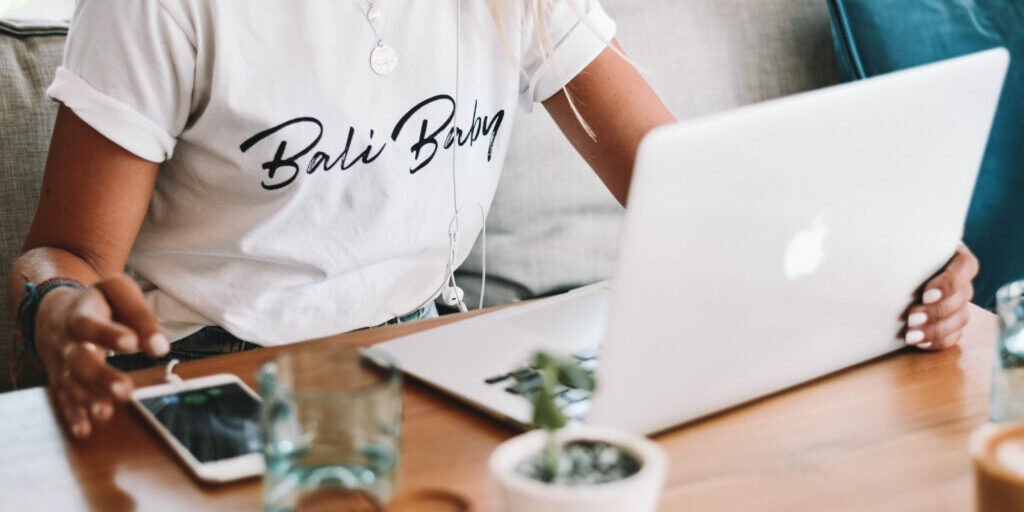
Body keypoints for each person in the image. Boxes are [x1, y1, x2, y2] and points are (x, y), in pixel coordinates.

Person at [8, 0, 978, 440]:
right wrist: (59, 308)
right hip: (219, 384)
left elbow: (691, 187)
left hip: (426, 371)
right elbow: (68, 251)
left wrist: (883, 254)